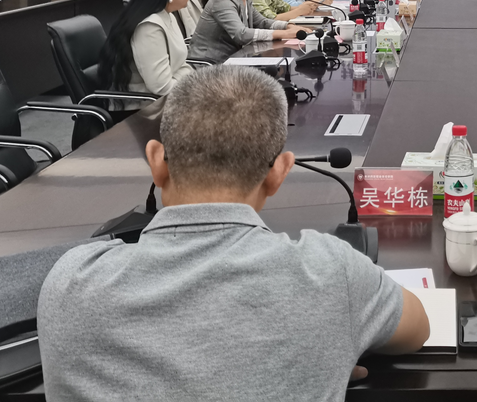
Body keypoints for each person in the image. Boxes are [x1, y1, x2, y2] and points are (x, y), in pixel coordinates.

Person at [37, 65, 431, 401]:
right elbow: (418, 328)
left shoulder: (71, 282)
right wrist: (327, 348)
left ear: (156, 161)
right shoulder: (331, 272)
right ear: (279, 172)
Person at [98, 0, 197, 112]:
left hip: (165, 102)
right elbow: (162, 87)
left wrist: (185, 77)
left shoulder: (167, 15)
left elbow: (182, 65)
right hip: (140, 112)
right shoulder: (149, 27)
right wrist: (191, 81)